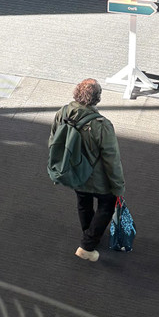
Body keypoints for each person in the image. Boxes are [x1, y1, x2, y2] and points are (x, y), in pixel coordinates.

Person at [50, 78, 125, 262]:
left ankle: (89, 232)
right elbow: (111, 159)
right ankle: (87, 245)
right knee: (107, 205)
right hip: (98, 178)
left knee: (83, 202)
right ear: (97, 98)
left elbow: (53, 141)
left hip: (75, 173)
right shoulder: (102, 125)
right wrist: (118, 186)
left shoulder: (63, 112)